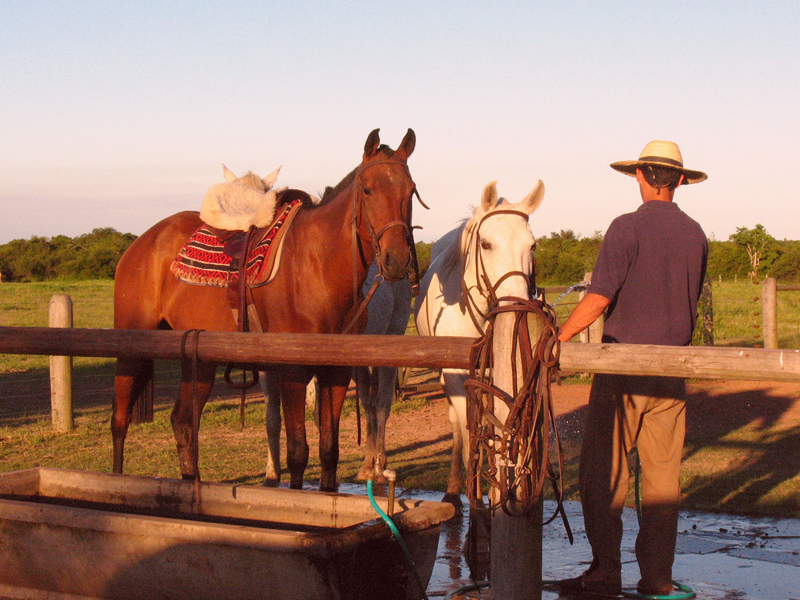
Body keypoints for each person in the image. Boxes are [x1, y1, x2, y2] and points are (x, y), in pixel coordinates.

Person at [558, 140, 708, 596]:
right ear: (680, 180)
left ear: (640, 176)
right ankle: (658, 577)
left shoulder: (625, 228)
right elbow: (690, 301)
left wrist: (558, 340)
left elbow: (599, 298)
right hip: (670, 372)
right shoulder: (696, 234)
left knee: (604, 472)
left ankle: (606, 569)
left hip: (621, 368)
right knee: (663, 478)